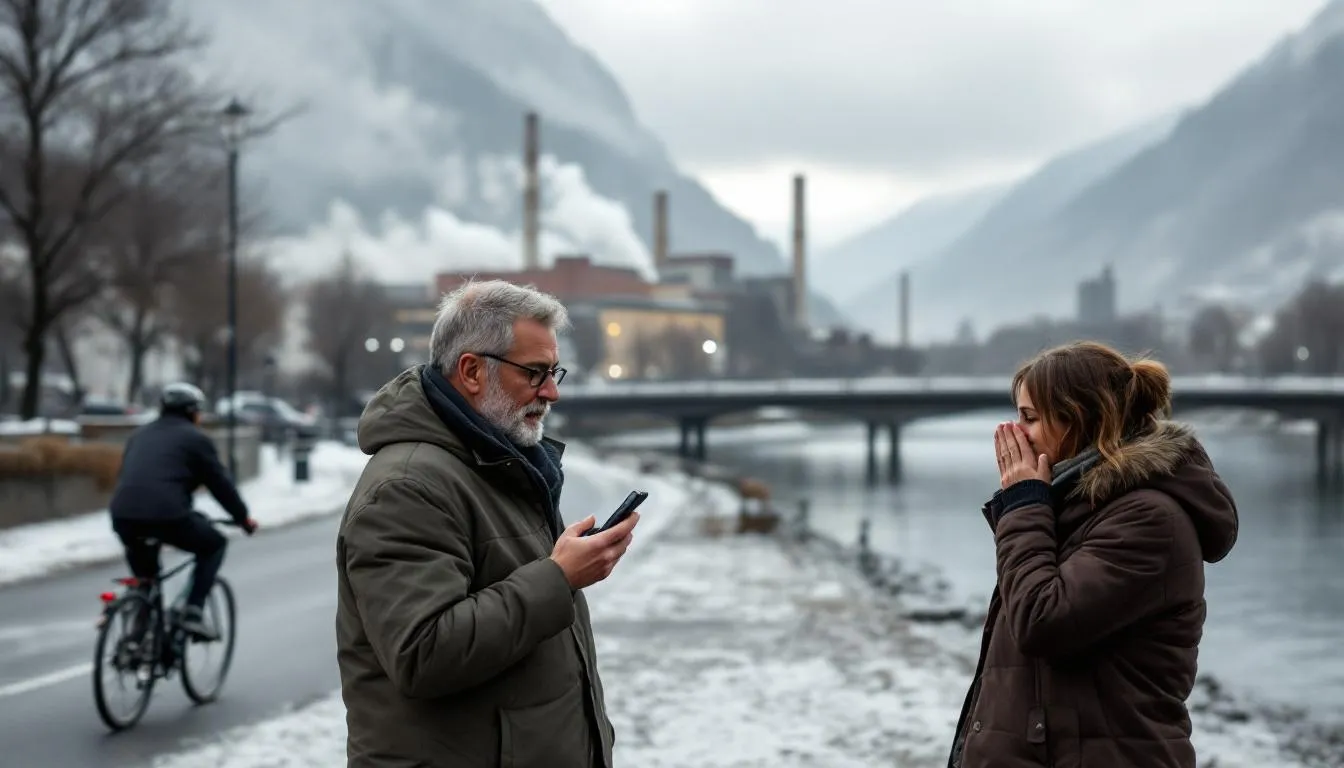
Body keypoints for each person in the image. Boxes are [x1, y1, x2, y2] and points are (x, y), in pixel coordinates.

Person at [336, 279, 638, 768]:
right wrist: (558, 578)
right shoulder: (408, 487)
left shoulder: (500, 463)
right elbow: (422, 653)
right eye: (536, 373)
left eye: (554, 371)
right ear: (472, 371)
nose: (553, 392)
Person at [948, 341, 1239, 768]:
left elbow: (1042, 620)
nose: (1016, 433)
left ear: (1080, 419)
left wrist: (1025, 502)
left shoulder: (1148, 519)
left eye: (1029, 418)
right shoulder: (1072, 508)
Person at [108, 382, 258, 640]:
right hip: (166, 515)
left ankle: (139, 630)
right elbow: (219, 484)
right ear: (192, 412)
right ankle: (193, 611)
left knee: (146, 578)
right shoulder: (195, 439)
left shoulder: (139, 435)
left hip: (124, 516)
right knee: (214, 544)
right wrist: (242, 518)